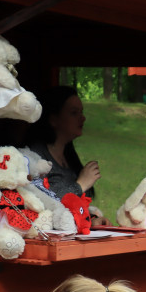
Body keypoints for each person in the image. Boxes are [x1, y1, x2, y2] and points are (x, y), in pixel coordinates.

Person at [26, 86, 110, 227]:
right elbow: (40, 199)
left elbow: (74, 207)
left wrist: (92, 220)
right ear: (53, 119)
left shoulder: (69, 156)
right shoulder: (35, 156)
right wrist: (80, 185)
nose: (82, 118)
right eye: (74, 113)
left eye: (81, 112)